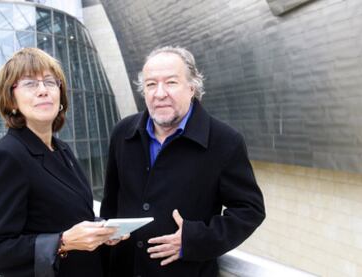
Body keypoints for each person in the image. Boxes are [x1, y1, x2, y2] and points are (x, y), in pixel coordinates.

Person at [100, 46, 266, 277]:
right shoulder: (123, 132)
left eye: (171, 82)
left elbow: (250, 210)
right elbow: (111, 204)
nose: (159, 93)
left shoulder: (225, 141)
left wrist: (193, 239)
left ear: (192, 87)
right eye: (151, 84)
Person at [0, 47, 124, 277]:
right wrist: (62, 242)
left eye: (50, 82)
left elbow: (63, 215)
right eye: (30, 84)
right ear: (11, 100)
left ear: (60, 97)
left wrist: (100, 229)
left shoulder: (61, 149)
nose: (43, 90)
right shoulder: (5, 157)